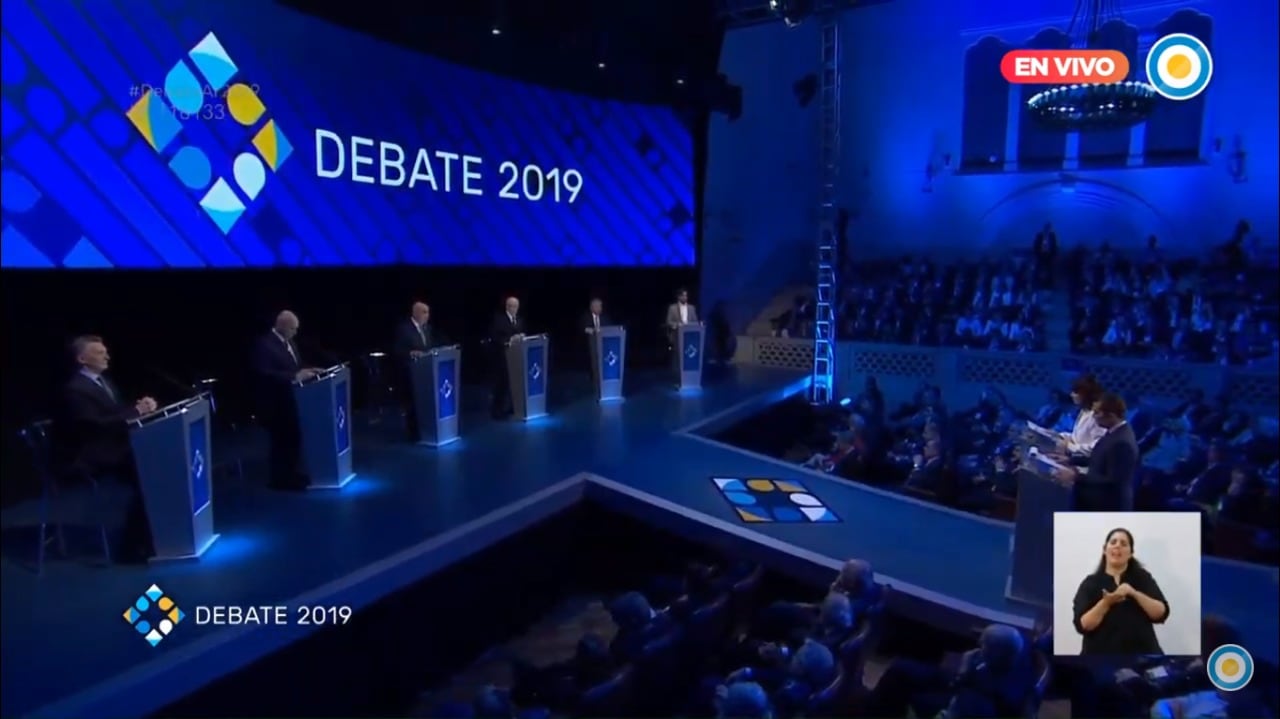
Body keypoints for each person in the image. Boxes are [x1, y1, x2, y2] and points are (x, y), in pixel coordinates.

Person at [55, 335, 158, 561]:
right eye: (100, 353)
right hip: (94, 457)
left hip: (116, 448)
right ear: (82, 359)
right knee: (149, 474)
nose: (107, 357)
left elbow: (115, 414)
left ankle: (151, 537)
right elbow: (95, 425)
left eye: (105, 352)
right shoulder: (75, 390)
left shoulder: (104, 382)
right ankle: (131, 547)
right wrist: (135, 412)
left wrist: (140, 407)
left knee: (154, 466)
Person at [1071, 527, 1170, 656]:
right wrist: (1106, 603)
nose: (1117, 546)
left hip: (1143, 655)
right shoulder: (1090, 583)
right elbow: (1083, 625)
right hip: (1100, 658)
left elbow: (1161, 613)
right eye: (1113, 542)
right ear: (1104, 549)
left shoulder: (1142, 577)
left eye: (1123, 544)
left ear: (1130, 553)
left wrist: (1134, 593)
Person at [250, 310, 318, 491]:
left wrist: (309, 371)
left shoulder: (290, 343)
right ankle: (279, 479)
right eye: (293, 329)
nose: (295, 332)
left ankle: (292, 473)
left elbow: (295, 366)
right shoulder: (264, 345)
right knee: (281, 441)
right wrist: (294, 377)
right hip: (275, 403)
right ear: (283, 326)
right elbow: (263, 374)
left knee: (293, 438)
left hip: (293, 401)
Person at [1053, 393, 1139, 511]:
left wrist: (1075, 476)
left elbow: (1113, 481)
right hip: (1095, 500)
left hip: (1108, 506)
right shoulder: (1113, 431)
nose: (1093, 417)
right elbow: (1099, 457)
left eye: (1097, 413)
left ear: (1111, 415)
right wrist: (1070, 460)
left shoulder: (1122, 442)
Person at [394, 301, 435, 441]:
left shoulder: (427, 329)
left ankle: (426, 428)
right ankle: (413, 433)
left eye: (428, 312)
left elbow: (428, 349)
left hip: (425, 372)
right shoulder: (404, 329)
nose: (427, 316)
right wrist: (410, 353)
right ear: (415, 313)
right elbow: (397, 350)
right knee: (411, 404)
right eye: (424, 312)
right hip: (409, 373)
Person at [488, 297, 525, 419]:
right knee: (501, 384)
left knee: (514, 383)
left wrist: (521, 337)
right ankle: (497, 410)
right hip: (501, 357)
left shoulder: (519, 320)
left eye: (516, 307)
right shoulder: (499, 320)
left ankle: (512, 407)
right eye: (512, 306)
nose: (515, 309)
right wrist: (509, 340)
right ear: (507, 307)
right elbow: (495, 337)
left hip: (516, 357)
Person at [1058, 374, 1106, 456]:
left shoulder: (1097, 417)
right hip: (1073, 457)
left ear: (1086, 395)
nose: (1071, 395)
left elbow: (1096, 447)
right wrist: (1061, 436)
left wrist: (1069, 446)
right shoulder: (1084, 411)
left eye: (1075, 392)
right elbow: (1078, 438)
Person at [666, 288, 699, 375]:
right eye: (683, 295)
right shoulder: (672, 308)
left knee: (689, 355)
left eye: (686, 295)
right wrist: (678, 325)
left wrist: (692, 325)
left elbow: (695, 322)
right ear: (679, 297)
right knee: (677, 356)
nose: (685, 297)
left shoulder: (692, 308)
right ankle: (677, 375)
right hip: (677, 336)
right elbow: (669, 322)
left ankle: (689, 374)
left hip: (689, 338)